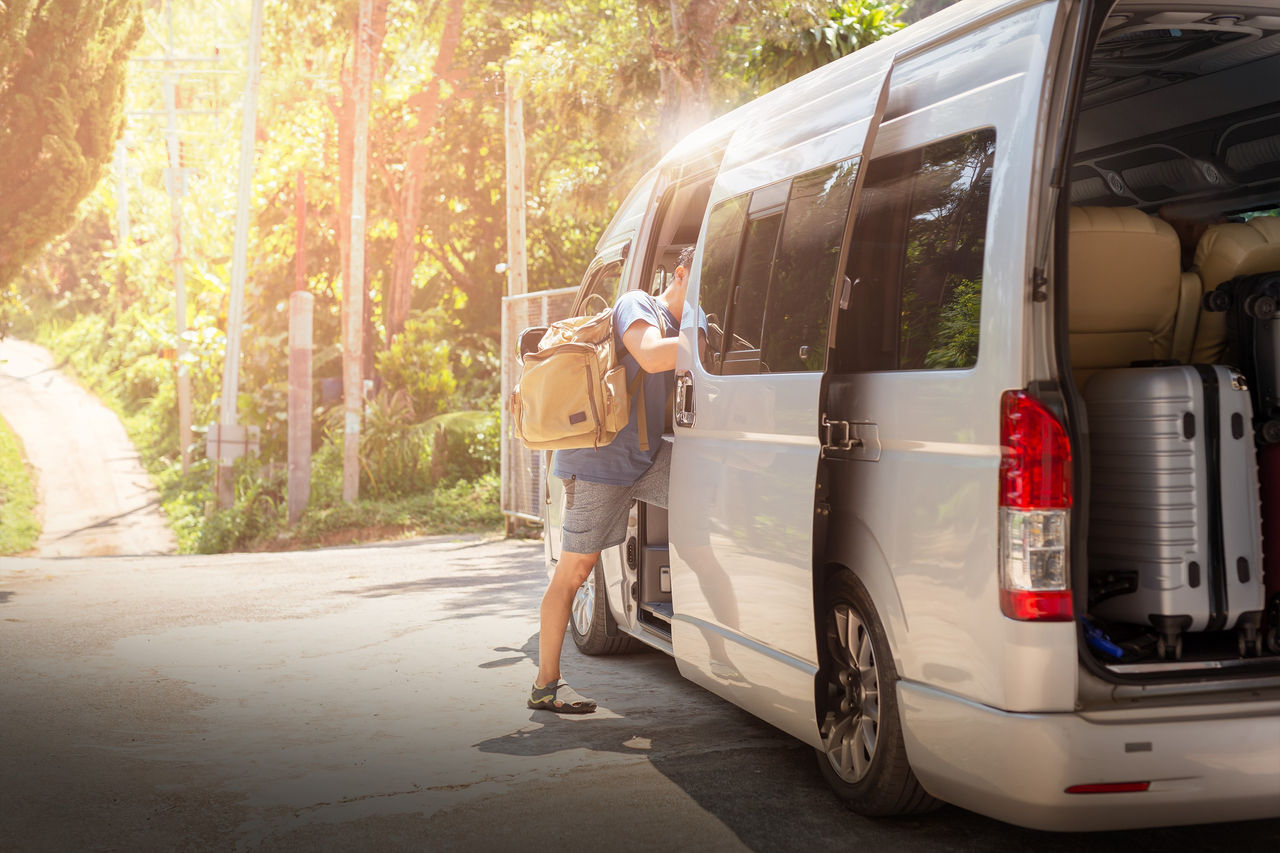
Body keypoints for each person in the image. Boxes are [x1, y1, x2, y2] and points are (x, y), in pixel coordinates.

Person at [528, 246, 695, 714]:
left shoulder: (684, 327)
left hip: (646, 458)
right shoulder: (638, 304)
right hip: (599, 466)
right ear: (680, 274)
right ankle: (545, 685)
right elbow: (651, 355)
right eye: (701, 277)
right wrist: (706, 341)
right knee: (574, 573)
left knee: (713, 496)